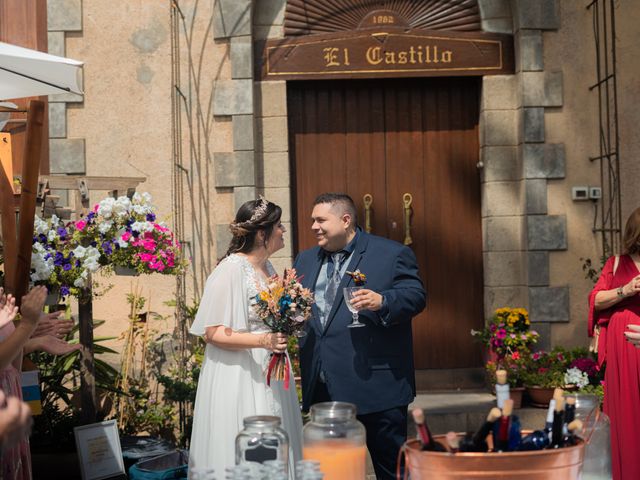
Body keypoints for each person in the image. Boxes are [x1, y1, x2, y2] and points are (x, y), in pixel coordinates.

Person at [293, 193, 426, 480]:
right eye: (312, 220)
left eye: (320, 220)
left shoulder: (391, 254)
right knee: (332, 472)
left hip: (377, 385)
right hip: (324, 387)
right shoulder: (304, 260)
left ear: (346, 219)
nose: (314, 226)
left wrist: (384, 301)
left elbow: (416, 296)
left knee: (392, 470)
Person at [189, 198, 303, 477]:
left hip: (272, 369)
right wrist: (263, 341)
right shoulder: (230, 270)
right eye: (279, 225)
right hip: (241, 374)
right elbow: (213, 332)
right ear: (262, 233)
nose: (284, 230)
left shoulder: (270, 268)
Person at [589, 207, 640, 480]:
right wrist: (626, 290)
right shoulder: (617, 264)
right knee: (626, 414)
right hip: (624, 351)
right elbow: (596, 300)